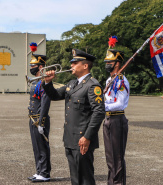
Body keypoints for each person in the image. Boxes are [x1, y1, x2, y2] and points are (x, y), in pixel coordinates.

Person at [43, 49, 105, 185]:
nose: (71, 65)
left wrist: (87, 137)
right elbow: (54, 95)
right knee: (75, 178)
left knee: (85, 178)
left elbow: (99, 112)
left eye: (75, 63)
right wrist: (48, 82)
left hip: (83, 139)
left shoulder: (92, 85)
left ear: (85, 66)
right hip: (70, 139)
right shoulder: (72, 84)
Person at [103, 48, 130, 185]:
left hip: (117, 120)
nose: (107, 63)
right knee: (110, 157)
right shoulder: (110, 80)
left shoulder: (121, 81)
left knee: (117, 157)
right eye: (106, 61)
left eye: (110, 61)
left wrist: (102, 107)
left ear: (117, 64)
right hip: (108, 119)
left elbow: (119, 104)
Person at [27, 54, 51, 182]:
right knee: (36, 147)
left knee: (42, 147)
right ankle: (39, 171)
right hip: (33, 118)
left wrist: (41, 122)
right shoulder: (36, 81)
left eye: (33, 65)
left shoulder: (44, 82)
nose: (31, 67)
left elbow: (45, 103)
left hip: (40, 119)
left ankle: (45, 173)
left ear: (41, 66)